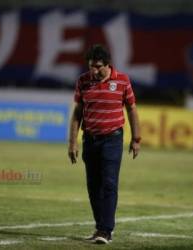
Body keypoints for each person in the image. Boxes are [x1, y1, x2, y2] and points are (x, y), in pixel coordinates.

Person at [68, 44, 141, 244]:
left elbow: (132, 109)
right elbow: (77, 114)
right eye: (91, 66)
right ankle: (100, 226)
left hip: (112, 139)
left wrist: (136, 139)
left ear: (108, 64)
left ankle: (106, 230)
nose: (94, 70)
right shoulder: (83, 81)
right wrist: (72, 142)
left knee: (109, 184)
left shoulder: (123, 81)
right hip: (90, 140)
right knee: (93, 186)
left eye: (98, 66)